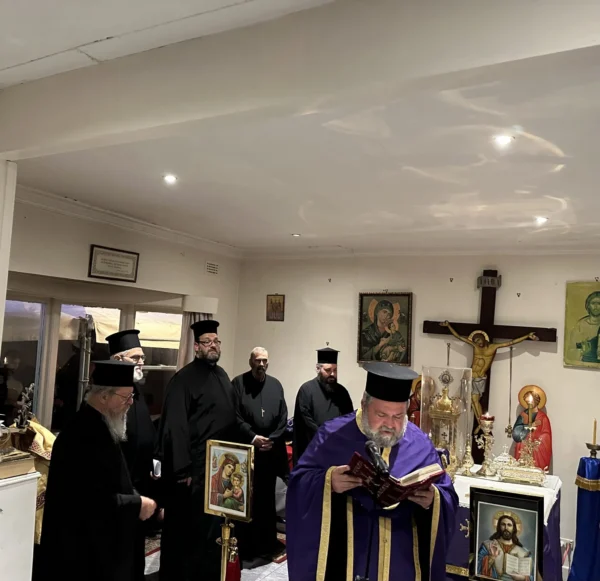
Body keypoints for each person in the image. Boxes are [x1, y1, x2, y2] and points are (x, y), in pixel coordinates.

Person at [287, 362, 458, 581]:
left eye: (398, 416)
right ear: (364, 404)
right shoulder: (333, 435)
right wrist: (328, 482)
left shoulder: (420, 444)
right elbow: (299, 483)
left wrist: (432, 500)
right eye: (381, 414)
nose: (390, 424)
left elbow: (447, 495)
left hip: (401, 560)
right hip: (346, 559)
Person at [40, 360, 157, 581]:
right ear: (103, 397)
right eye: (126, 397)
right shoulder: (82, 435)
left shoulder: (101, 425)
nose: (130, 403)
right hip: (83, 551)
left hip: (97, 545)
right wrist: (137, 504)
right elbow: (89, 500)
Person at [155, 319, 239, 581]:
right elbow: (174, 426)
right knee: (189, 532)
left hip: (220, 468)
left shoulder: (223, 375)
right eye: (207, 342)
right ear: (196, 347)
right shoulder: (183, 379)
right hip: (194, 472)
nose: (213, 345)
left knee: (214, 530)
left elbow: (232, 417)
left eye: (216, 341)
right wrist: (183, 471)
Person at [232, 347, 288, 565]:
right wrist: (253, 437)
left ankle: (266, 544)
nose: (261, 365)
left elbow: (283, 416)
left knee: (266, 501)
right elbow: (234, 416)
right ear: (250, 362)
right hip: (246, 454)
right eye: (258, 361)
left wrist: (272, 438)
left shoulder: (276, 385)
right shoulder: (238, 384)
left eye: (265, 361)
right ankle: (246, 547)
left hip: (269, 454)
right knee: (247, 501)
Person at [107, 329, 161, 542]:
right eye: (136, 357)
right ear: (118, 359)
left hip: (143, 480)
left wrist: (155, 463)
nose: (141, 362)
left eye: (143, 357)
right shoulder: (108, 394)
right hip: (122, 486)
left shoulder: (135, 390)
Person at [440, 321, 537, 432]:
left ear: (484, 338)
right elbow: (459, 337)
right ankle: (478, 423)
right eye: (475, 341)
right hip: (470, 376)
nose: (478, 343)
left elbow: (511, 342)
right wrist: (449, 326)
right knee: (470, 401)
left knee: (475, 401)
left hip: (479, 379)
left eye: (479, 340)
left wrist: (527, 336)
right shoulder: (475, 346)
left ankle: (481, 423)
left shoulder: (493, 347)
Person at [292, 347, 353, 464]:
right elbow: (306, 424)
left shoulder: (342, 392)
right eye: (328, 370)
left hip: (337, 450)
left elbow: (348, 419)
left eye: (335, 370)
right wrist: (326, 437)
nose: (332, 374)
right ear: (318, 369)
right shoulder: (306, 390)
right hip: (313, 450)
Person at [477, 512, 533, 580]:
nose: (506, 528)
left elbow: (532, 576)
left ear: (514, 528)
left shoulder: (524, 552)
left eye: (509, 525)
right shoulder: (487, 545)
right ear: (499, 527)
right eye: (503, 524)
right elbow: (477, 568)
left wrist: (523, 578)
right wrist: (491, 558)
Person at [512, 387, 552, 471]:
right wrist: (528, 428)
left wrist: (537, 441)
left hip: (537, 448)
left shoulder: (543, 417)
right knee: (521, 444)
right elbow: (516, 434)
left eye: (530, 402)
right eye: (527, 402)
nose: (528, 404)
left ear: (536, 401)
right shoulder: (523, 415)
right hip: (524, 447)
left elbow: (546, 435)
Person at [568, 291, 600, 362]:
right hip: (584, 362)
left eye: (599, 303)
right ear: (588, 305)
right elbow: (572, 349)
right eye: (593, 303)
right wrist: (582, 349)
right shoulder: (580, 324)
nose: (596, 306)